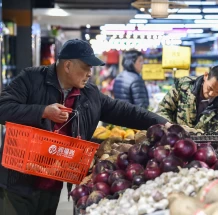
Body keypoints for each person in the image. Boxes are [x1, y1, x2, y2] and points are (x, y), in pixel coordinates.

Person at [0, 39, 170, 215]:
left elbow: (125, 111)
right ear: (67, 66)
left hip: (52, 182)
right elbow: (2, 108)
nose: (90, 73)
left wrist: (163, 123)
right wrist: (43, 111)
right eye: (86, 67)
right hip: (18, 180)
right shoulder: (31, 79)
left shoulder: (89, 94)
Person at [157, 66, 218, 133]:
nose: (211, 94)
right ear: (205, 76)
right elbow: (162, 110)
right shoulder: (183, 86)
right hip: (175, 141)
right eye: (210, 88)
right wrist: (172, 127)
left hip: (205, 148)